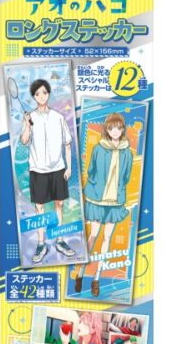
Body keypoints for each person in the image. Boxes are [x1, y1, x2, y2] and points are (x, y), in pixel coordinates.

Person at [74, 113, 133, 296]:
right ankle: (80, 273)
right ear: (107, 129)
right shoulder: (98, 148)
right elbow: (91, 170)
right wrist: (98, 185)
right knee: (93, 235)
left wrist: (117, 189)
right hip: (97, 199)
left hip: (115, 202)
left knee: (107, 238)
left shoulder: (127, 152)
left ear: (122, 129)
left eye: (118, 128)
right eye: (111, 128)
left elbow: (126, 176)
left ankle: (96, 278)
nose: (115, 131)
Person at [20, 79, 75, 264]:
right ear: (34, 97)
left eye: (44, 92)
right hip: (38, 170)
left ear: (49, 93)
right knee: (39, 208)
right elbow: (24, 141)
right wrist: (27, 125)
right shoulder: (30, 117)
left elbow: (67, 144)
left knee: (59, 204)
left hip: (58, 168)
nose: (41, 96)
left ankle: (59, 240)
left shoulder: (58, 117)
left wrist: (69, 167)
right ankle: (41, 244)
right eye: (37, 94)